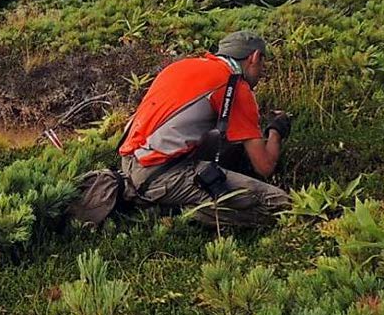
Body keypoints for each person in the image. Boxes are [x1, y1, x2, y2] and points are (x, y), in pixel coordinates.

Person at [118, 30, 292, 227]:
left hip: (131, 163)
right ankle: (182, 212)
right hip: (159, 176)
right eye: (262, 63)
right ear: (254, 57)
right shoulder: (234, 86)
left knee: (226, 145)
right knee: (279, 204)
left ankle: (168, 198)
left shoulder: (181, 66)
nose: (262, 71)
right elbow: (265, 166)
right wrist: (276, 130)